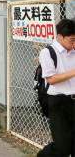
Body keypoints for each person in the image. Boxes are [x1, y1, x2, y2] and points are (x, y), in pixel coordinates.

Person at [37, 18, 75, 157]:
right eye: (71, 40)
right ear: (60, 36)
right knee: (63, 146)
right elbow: (52, 79)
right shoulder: (48, 52)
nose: (74, 43)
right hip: (59, 102)